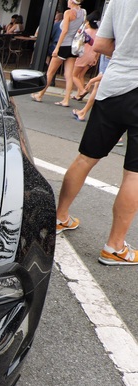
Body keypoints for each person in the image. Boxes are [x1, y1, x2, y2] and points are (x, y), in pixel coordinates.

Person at [56, 0, 138, 265]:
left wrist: (126, 54)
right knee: (134, 175)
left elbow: (101, 45)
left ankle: (60, 217)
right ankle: (114, 247)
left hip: (113, 87)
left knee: (86, 157)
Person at [30, 0, 86, 107]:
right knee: (69, 74)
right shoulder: (83, 12)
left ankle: (40, 94)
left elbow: (64, 31)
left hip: (64, 45)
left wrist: (57, 47)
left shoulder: (68, 13)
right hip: (73, 47)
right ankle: (66, 100)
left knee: (50, 72)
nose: (67, 2)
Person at [71, 11, 100, 101]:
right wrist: (96, 58)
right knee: (81, 75)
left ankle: (82, 91)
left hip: (83, 55)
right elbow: (98, 47)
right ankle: (78, 95)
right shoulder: (98, 33)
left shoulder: (85, 32)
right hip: (92, 57)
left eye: (86, 22)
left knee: (74, 75)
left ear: (89, 22)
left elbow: (78, 44)